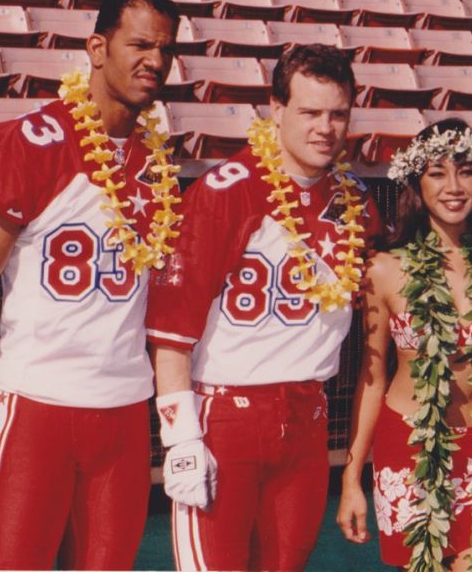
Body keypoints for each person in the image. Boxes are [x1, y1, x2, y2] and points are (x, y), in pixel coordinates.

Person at [0, 0, 182, 570]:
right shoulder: (24, 144)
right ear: (98, 48)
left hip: (124, 408)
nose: (155, 61)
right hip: (36, 405)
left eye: (166, 50)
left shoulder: (158, 164)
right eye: (140, 44)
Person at [144, 44, 382, 572]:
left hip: (306, 418)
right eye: (310, 112)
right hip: (227, 416)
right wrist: (181, 434)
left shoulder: (354, 201)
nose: (325, 128)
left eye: (338, 114)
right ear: (276, 110)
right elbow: (172, 328)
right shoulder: (227, 190)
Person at [336, 119, 472, 571]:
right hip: (412, 448)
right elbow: (371, 380)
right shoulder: (384, 269)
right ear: (415, 182)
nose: (453, 186)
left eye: (465, 171)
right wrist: (351, 477)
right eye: (436, 173)